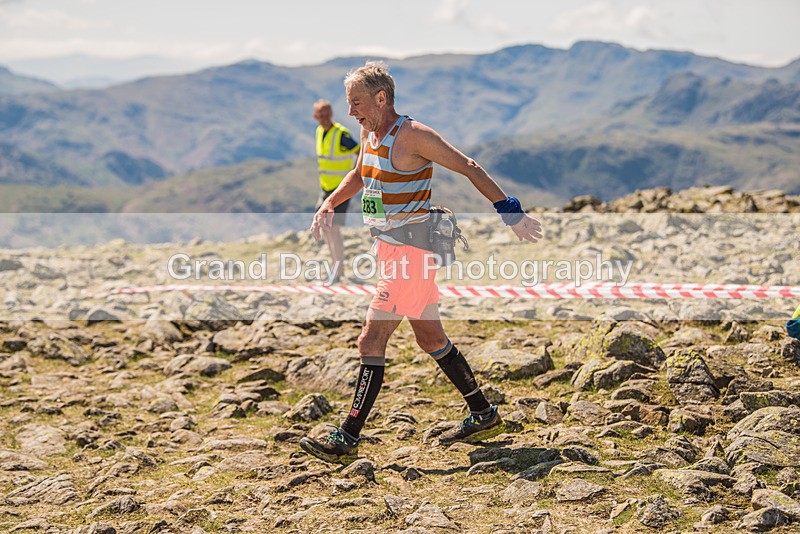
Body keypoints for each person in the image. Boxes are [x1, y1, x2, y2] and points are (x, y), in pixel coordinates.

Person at [300, 62, 543, 465]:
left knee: (370, 340)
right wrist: (330, 202)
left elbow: (469, 167)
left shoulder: (413, 136)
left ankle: (346, 436)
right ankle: (483, 412)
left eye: (356, 103)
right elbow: (361, 172)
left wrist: (510, 211)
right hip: (392, 253)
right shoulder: (369, 133)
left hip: (411, 256)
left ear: (381, 98)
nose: (350, 112)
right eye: (348, 103)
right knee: (430, 339)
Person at [313, 99, 360, 284]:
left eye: (327, 114)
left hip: (340, 189)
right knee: (325, 227)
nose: (324, 118)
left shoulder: (341, 134)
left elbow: (361, 152)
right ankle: (335, 269)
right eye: (320, 115)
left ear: (331, 114)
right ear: (315, 116)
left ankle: (338, 273)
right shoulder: (319, 131)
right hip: (325, 189)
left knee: (334, 228)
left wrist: (356, 177)